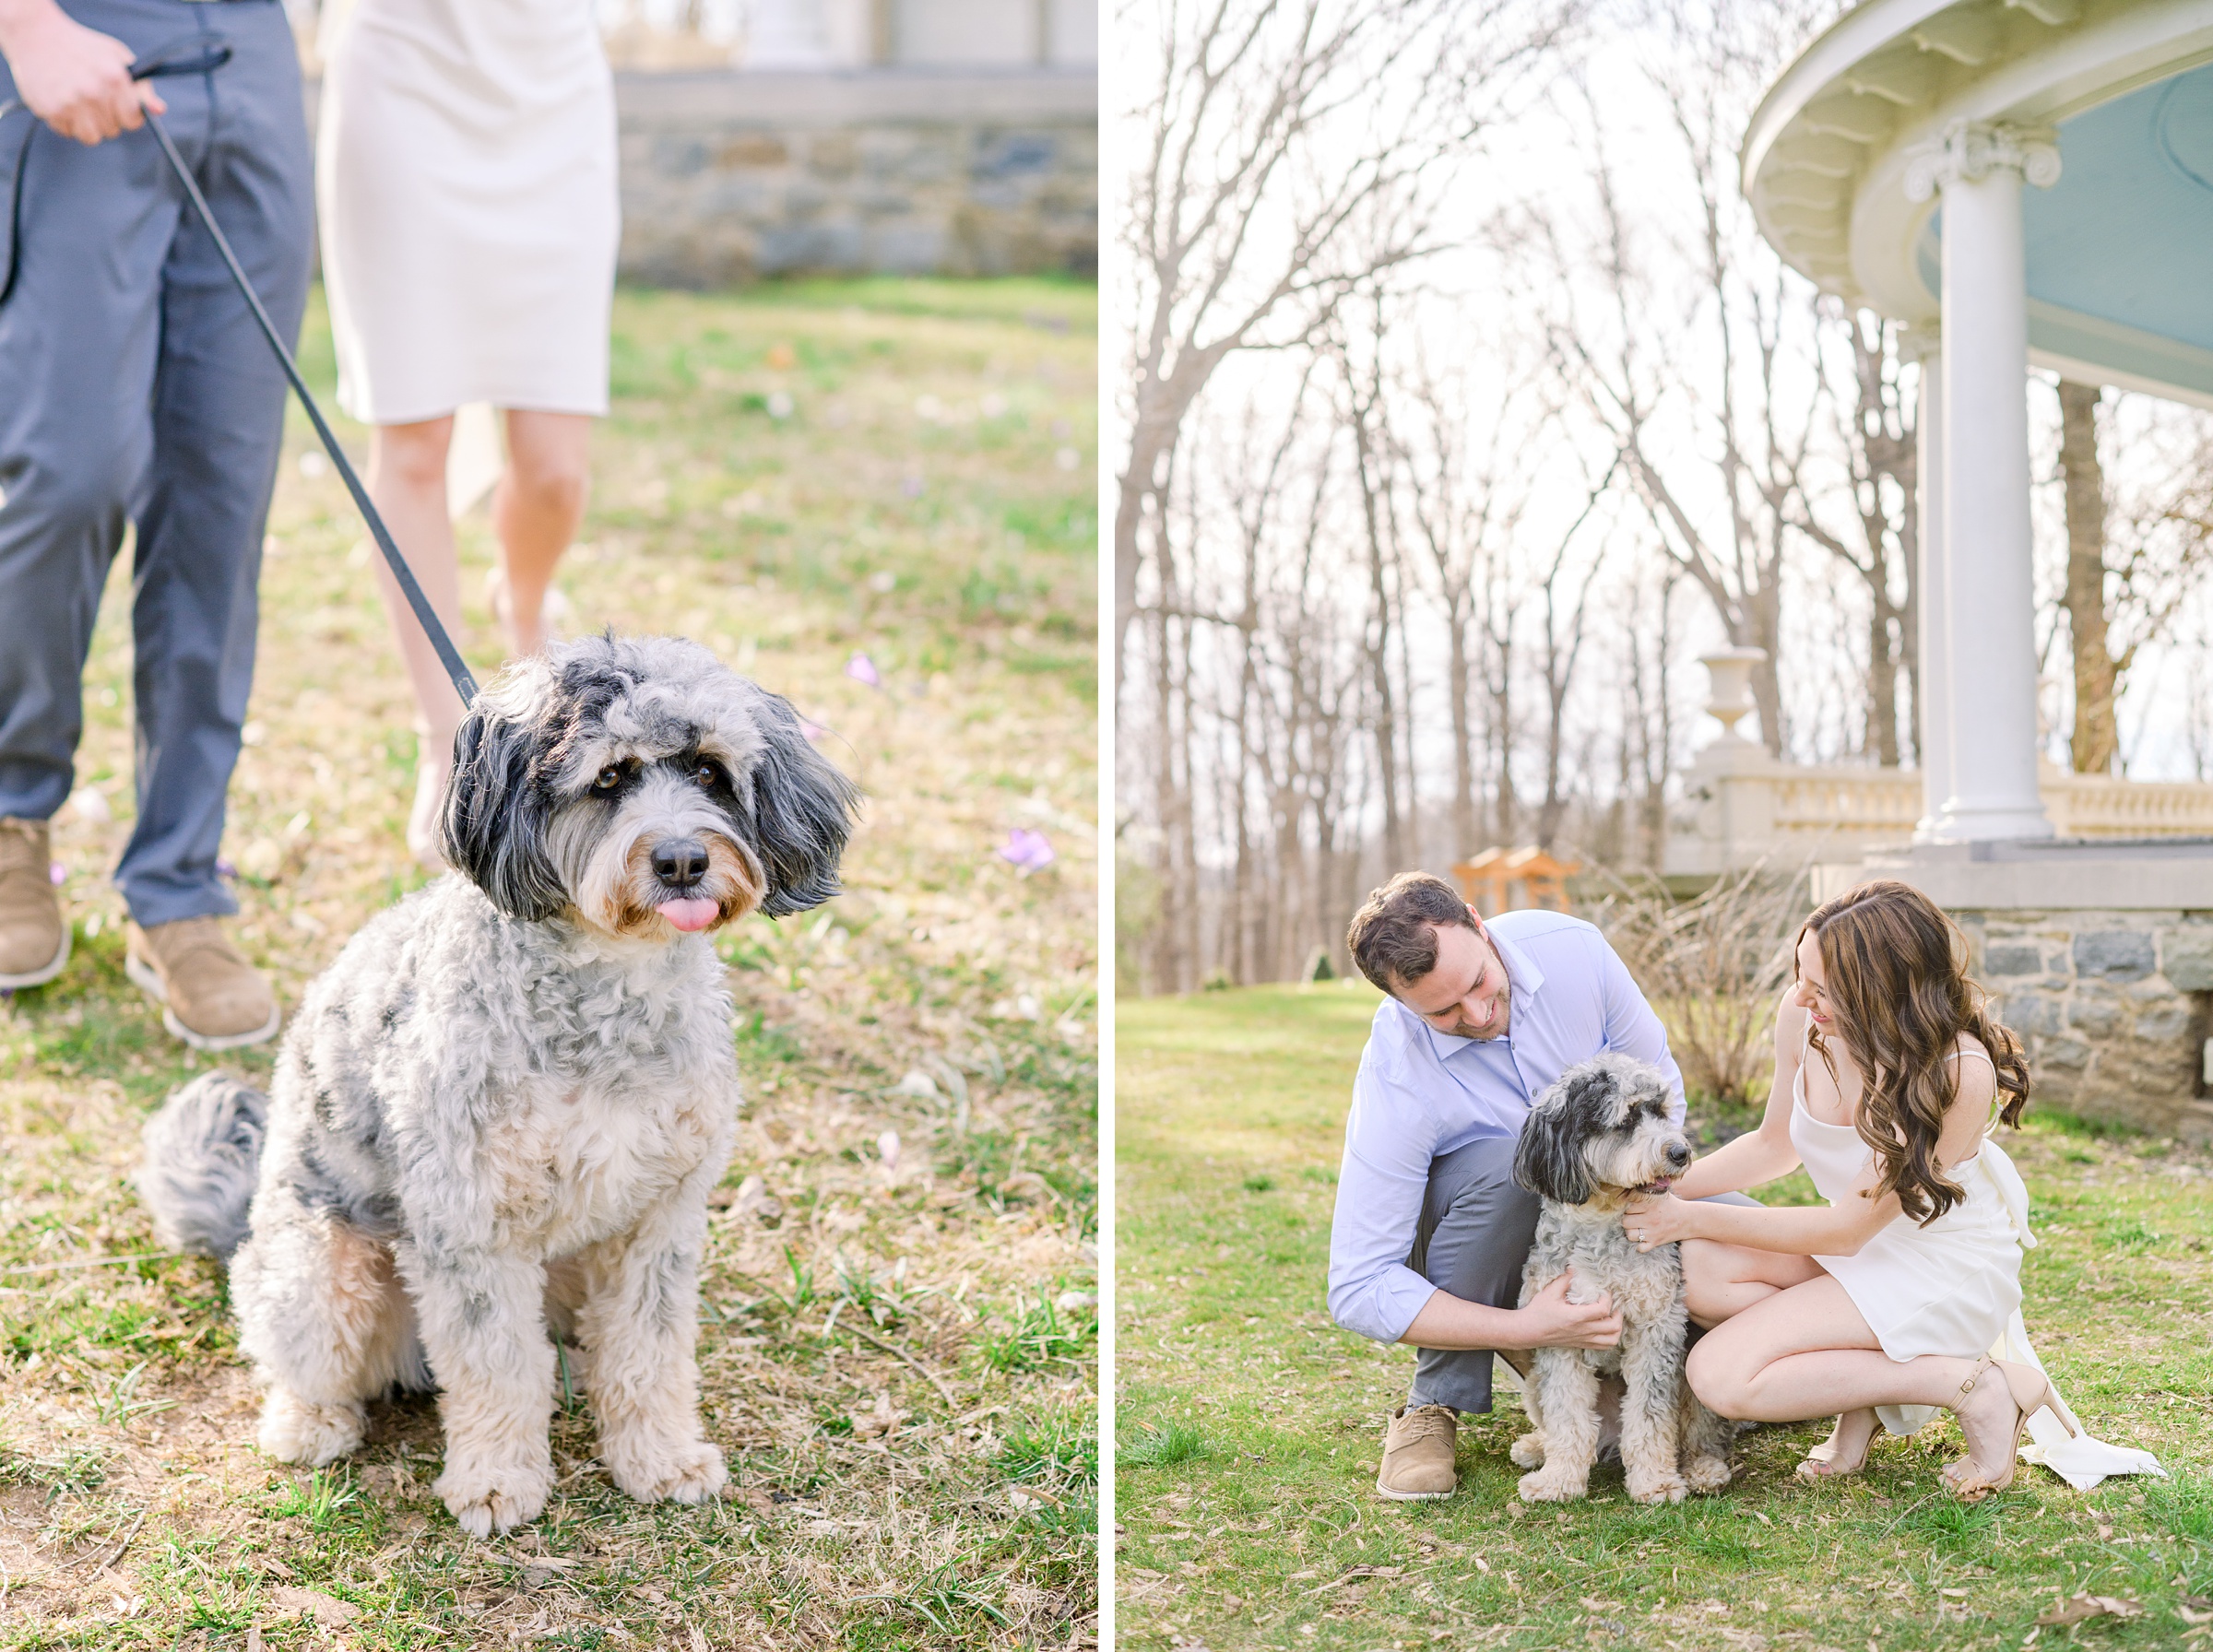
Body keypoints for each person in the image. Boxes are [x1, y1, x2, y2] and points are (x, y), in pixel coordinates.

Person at [1620, 879, 2160, 1496]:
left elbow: (1847, 1229)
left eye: (1823, 988)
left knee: (1720, 1374)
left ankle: (1975, 1386)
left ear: (1884, 989)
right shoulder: (1803, 1017)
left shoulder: (1957, 1071)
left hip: (1940, 1264)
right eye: (1801, 974)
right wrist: (1661, 1187)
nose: (1801, 996)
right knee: (1702, 1271)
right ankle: (1866, 1393)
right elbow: (1775, 1146)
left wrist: (1687, 1217)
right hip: (1861, 1248)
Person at [0, 0, 309, 1047]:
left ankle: (179, 882)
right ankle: (11, 815)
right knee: (68, 469)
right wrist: (25, 22)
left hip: (254, 55)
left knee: (222, 489)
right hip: (78, 42)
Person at [1326, 871, 1753, 1501]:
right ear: (1399, 1003)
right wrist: (1531, 1328)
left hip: (1621, 1184)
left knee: (1746, 1234)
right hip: (1479, 1225)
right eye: (1443, 1011)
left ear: (1477, 922)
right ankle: (1434, 1404)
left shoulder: (1573, 949)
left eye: (1477, 983)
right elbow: (1359, 1286)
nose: (1478, 1015)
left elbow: (1660, 1083)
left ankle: (1748, 1386)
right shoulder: (1396, 1067)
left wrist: (1643, 1189)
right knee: (1509, 1169)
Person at [314, 0, 617, 864]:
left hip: (551, 82)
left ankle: (522, 607)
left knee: (555, 467)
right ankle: (448, 736)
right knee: (414, 441)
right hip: (402, 69)